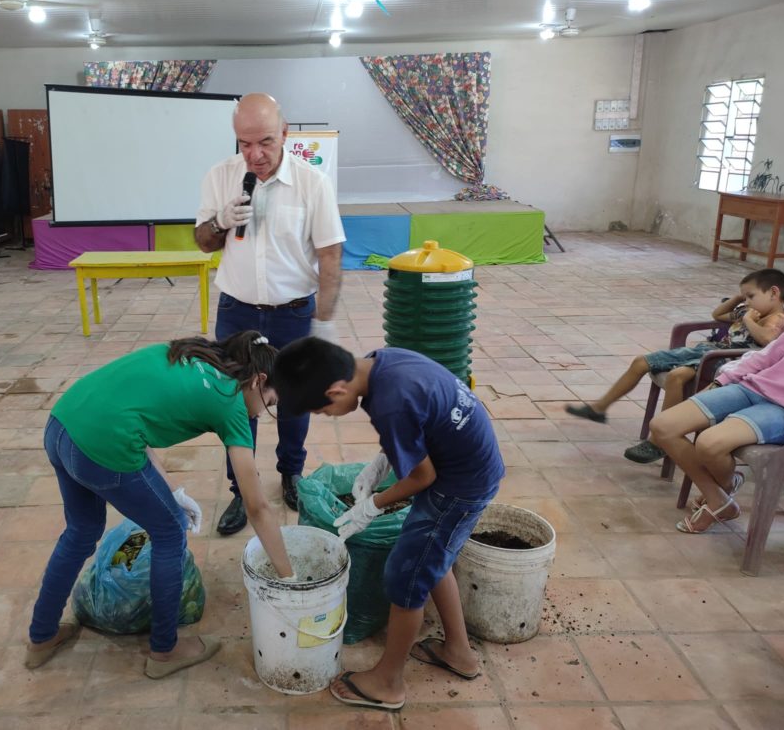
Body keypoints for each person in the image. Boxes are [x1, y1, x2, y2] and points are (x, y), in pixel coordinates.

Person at [26, 330, 294, 675]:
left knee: (80, 532)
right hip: (103, 445)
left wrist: (172, 491)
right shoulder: (231, 404)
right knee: (169, 533)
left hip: (62, 424)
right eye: (269, 403)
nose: (261, 413)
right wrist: (289, 579)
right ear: (259, 380)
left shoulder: (192, 353)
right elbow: (256, 506)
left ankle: (41, 637)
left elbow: (132, 412)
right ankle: (165, 651)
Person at [271, 338, 504, 711]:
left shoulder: (390, 404)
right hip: (469, 469)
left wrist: (372, 505)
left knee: (406, 577)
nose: (326, 416)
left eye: (322, 410)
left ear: (336, 390)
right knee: (431, 558)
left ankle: (388, 682)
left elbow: (421, 476)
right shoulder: (383, 361)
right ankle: (459, 651)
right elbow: (419, 418)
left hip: (456, 486)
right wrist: (384, 460)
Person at [194, 92, 345, 535]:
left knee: (294, 399)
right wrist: (221, 221)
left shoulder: (312, 184)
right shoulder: (221, 177)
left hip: (293, 313)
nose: (254, 155)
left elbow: (330, 256)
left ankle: (291, 475)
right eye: (244, 144)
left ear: (285, 133)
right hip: (236, 311)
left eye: (265, 142)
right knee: (236, 405)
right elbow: (203, 241)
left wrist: (325, 323)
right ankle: (242, 492)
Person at [565, 268, 784, 464]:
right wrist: (740, 298)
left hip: (725, 359)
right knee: (642, 361)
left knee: (677, 376)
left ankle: (658, 442)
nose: (746, 301)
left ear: (774, 294)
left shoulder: (776, 318)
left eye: (751, 296)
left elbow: (769, 341)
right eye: (745, 296)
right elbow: (717, 314)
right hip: (708, 350)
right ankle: (599, 408)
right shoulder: (747, 310)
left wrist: (748, 320)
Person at [650, 328, 784, 532]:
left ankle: (719, 499)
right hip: (750, 386)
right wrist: (720, 382)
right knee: (662, 426)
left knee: (709, 444)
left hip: (780, 408)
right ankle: (721, 496)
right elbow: (764, 357)